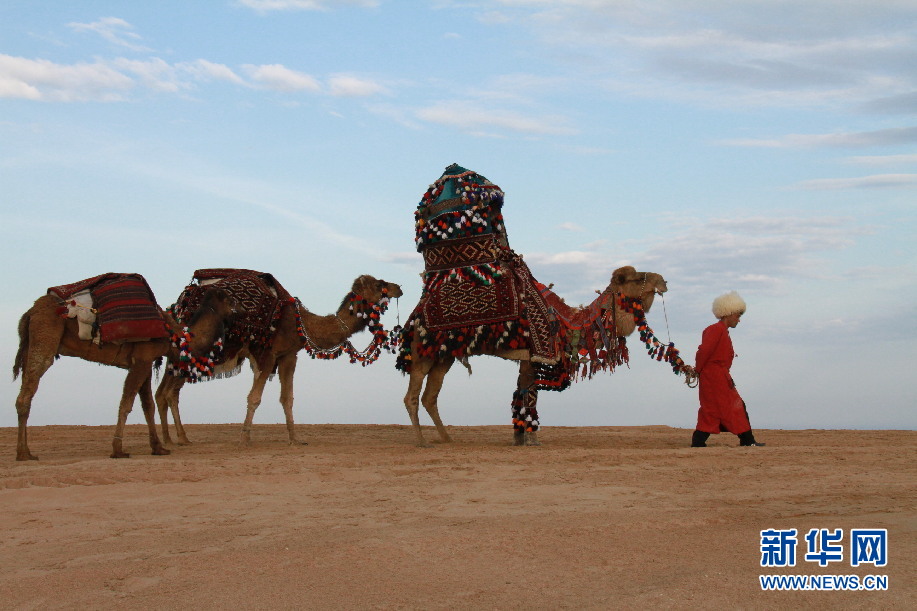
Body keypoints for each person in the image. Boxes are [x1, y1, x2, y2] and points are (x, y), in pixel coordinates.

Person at [690, 291, 765, 447]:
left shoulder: (720, 330)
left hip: (717, 376)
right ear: (728, 314)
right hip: (715, 377)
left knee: (713, 409)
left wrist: (699, 370)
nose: (739, 320)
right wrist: (698, 370)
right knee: (733, 406)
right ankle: (747, 440)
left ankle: (699, 441)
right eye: (737, 316)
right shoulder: (716, 330)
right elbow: (704, 351)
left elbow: (704, 352)